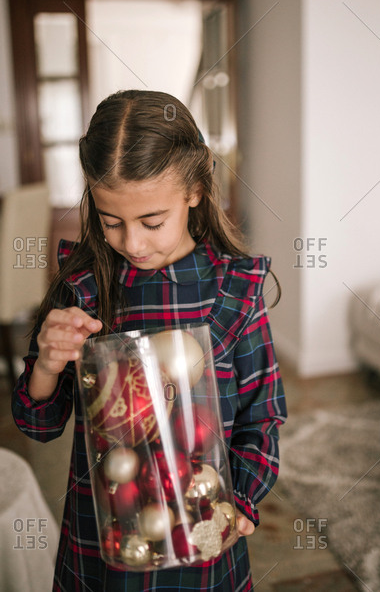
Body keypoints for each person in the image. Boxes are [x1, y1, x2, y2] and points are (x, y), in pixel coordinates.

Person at [12, 90, 287, 592]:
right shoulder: (83, 290)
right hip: (102, 544)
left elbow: (262, 418)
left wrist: (240, 502)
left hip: (203, 539)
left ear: (196, 191)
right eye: (110, 221)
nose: (132, 243)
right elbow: (39, 424)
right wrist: (48, 367)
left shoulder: (235, 293)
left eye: (151, 221)